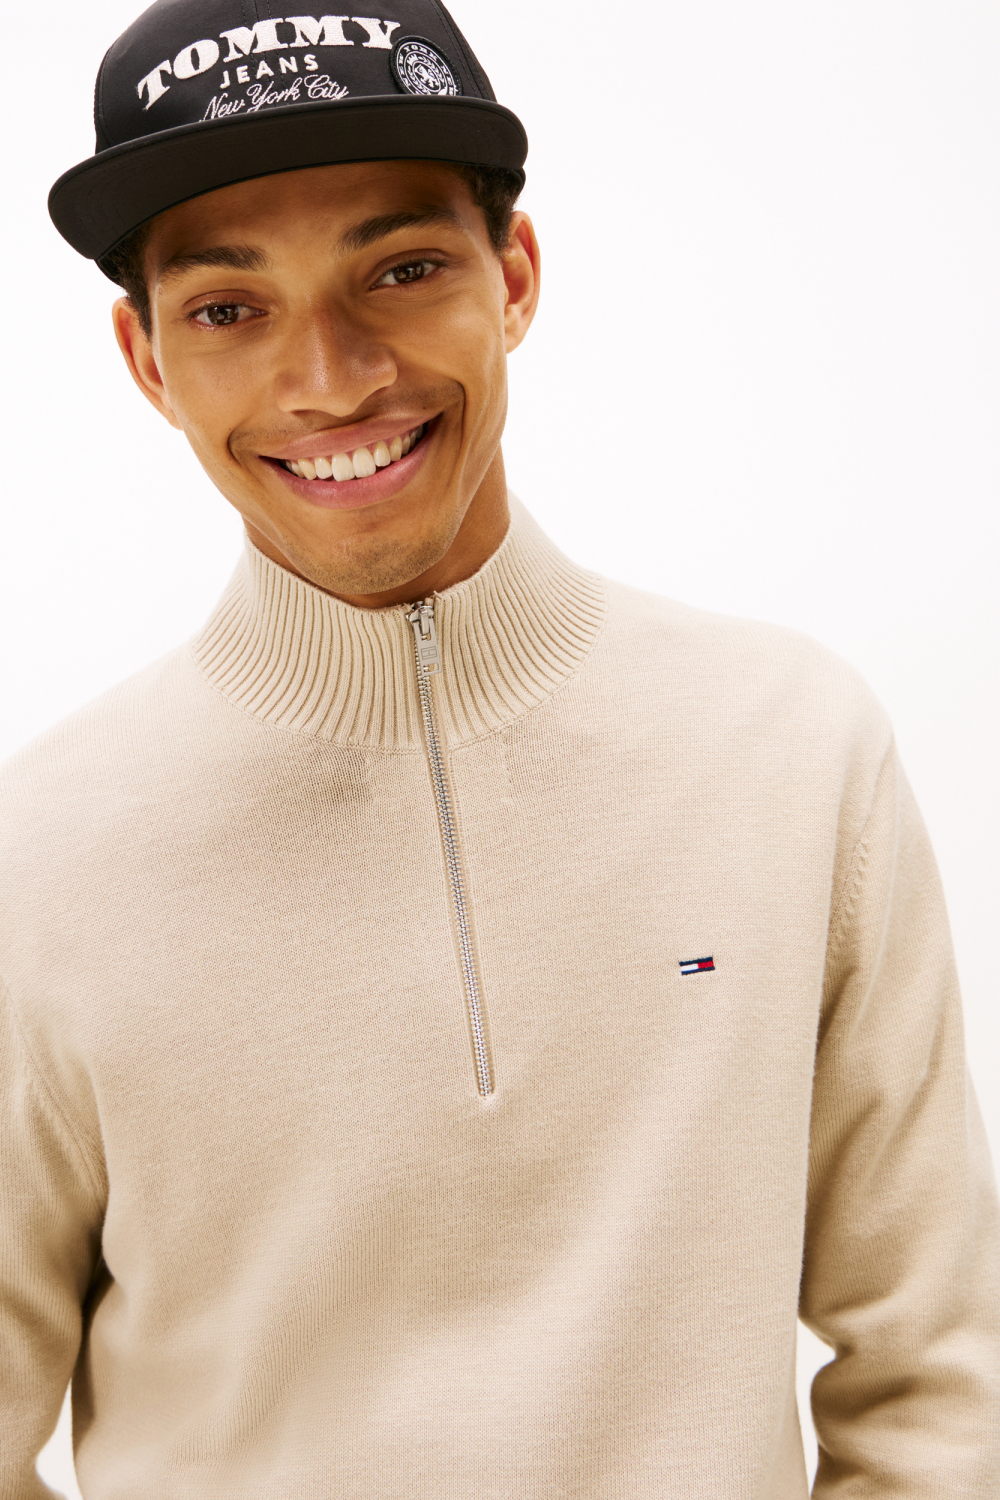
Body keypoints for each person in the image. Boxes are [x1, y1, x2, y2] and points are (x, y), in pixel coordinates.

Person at [2, 0, 998, 1494]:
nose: (331, 378)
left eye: (401, 270)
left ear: (513, 276)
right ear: (146, 361)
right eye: (227, 309)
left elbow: (942, 1381)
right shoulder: (40, 859)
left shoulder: (794, 752)